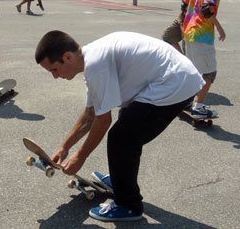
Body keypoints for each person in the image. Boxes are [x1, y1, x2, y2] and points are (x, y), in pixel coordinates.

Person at [35, 30, 204, 222]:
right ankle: (120, 181)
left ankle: (128, 205)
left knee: (122, 139)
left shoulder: (96, 65)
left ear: (67, 57)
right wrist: (65, 147)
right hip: (170, 77)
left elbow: (103, 120)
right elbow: (90, 115)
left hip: (174, 83)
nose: (55, 77)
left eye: (54, 70)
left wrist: (80, 157)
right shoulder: (93, 60)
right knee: (127, 127)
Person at [183, 0, 240, 119]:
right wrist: (220, 29)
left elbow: (185, 3)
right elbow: (207, 9)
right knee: (209, 73)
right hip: (202, 35)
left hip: (189, 32)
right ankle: (199, 107)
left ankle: (185, 101)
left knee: (193, 70)